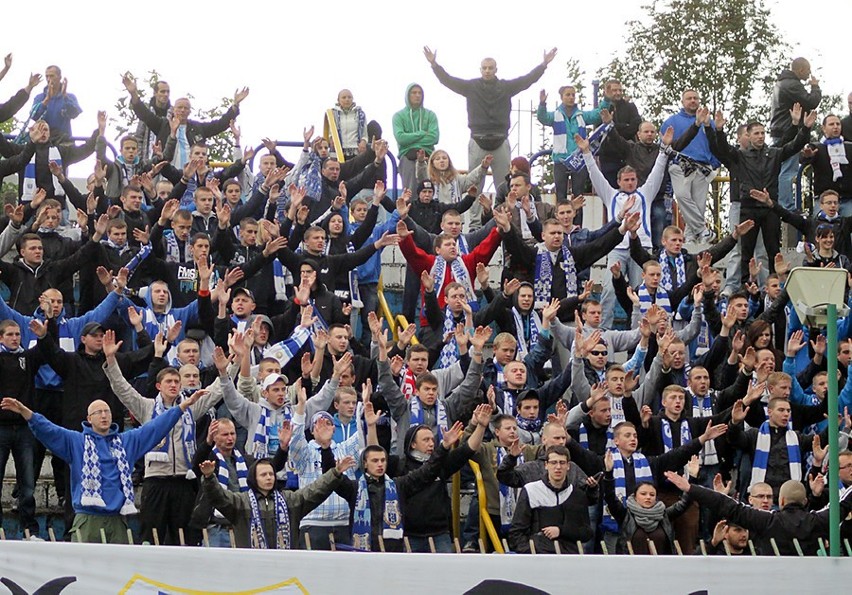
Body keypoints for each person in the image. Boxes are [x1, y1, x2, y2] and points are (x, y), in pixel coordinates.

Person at [0, 390, 201, 544]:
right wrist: (26, 413)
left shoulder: (126, 441)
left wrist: (181, 408)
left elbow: (155, 427)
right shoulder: (76, 441)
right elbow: (49, 430)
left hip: (117, 520)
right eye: (99, 412)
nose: (104, 415)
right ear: (89, 419)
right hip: (87, 520)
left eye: (107, 412)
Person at [103, 330, 222, 545]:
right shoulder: (146, 408)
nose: (174, 385)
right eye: (169, 381)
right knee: (151, 537)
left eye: (177, 381)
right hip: (156, 481)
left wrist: (225, 369)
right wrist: (111, 360)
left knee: (183, 540)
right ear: (159, 386)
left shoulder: (189, 409)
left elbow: (215, 392)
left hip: (184, 482)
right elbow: (122, 389)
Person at [424, 46, 557, 227]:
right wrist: (434, 64)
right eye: (484, 68)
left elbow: (526, 80)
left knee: (506, 186)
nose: (487, 71)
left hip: (500, 140)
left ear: (496, 69)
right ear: (480, 70)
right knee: (474, 186)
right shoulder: (471, 87)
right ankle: (474, 226)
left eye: (491, 68)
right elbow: (449, 81)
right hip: (477, 140)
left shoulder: (505, 87)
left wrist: (543, 65)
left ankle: (506, 223)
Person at [707, 108, 815, 283]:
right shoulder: (740, 155)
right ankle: (745, 287)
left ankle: (774, 285)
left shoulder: (774, 153)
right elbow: (722, 148)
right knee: (746, 252)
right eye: (756, 133)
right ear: (748, 136)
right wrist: (719, 130)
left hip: (769, 208)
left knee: (773, 250)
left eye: (763, 132)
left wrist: (805, 128)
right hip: (748, 209)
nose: (761, 136)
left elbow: (794, 145)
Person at [666, 473, 852, 556]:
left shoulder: (768, 520)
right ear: (804, 502)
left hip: (771, 582)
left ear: (781, 501)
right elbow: (844, 503)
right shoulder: (819, 520)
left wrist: (691, 488)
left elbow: (730, 507)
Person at [199, 454, 354, 549]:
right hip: (251, 567)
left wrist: (335, 473)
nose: (268, 477)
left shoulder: (289, 500)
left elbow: (314, 491)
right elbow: (218, 497)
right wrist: (209, 478)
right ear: (254, 478)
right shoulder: (241, 502)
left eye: (271, 474)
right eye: (263, 475)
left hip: (285, 566)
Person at [122, 72, 247, 169]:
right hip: (167, 175)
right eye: (179, 108)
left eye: (185, 108)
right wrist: (133, 94)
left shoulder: (198, 128)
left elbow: (220, 124)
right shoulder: (163, 125)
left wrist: (235, 105)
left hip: (193, 176)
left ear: (190, 111)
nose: (182, 110)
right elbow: (144, 114)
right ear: (174, 110)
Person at [601, 449, 693, 555]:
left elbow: (684, 504)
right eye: (643, 494)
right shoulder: (626, 515)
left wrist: (692, 480)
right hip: (631, 568)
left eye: (652, 495)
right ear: (635, 497)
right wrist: (608, 473)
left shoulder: (663, 515)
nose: (648, 497)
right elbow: (610, 498)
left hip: (661, 567)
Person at [508, 445, 596, 554]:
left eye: (562, 463)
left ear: (568, 466)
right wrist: (530, 551)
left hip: (569, 558)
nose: (558, 467)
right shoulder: (531, 490)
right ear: (546, 465)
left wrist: (560, 531)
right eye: (553, 463)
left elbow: (586, 533)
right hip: (538, 558)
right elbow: (516, 533)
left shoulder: (577, 494)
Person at [661, 90, 720, 243]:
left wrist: (714, 162)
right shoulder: (671, 122)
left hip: (702, 166)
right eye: (689, 98)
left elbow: (715, 144)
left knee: (698, 205)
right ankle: (702, 229)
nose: (692, 101)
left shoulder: (709, 122)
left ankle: (690, 237)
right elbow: (668, 144)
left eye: (695, 98)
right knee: (682, 195)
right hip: (679, 165)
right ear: (682, 101)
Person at [537, 85, 609, 202]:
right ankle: (562, 219)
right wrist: (542, 104)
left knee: (579, 195)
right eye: (568, 95)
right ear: (561, 97)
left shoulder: (581, 115)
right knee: (560, 196)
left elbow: (597, 115)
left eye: (573, 95)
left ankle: (578, 220)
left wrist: (606, 100)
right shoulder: (555, 115)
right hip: (561, 160)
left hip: (579, 160)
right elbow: (543, 118)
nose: (571, 97)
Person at [769, 58, 822, 211]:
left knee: (785, 167)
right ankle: (787, 205)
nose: (809, 74)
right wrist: (815, 87)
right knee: (788, 169)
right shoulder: (792, 84)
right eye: (807, 70)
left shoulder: (782, 83)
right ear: (800, 70)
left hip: (781, 129)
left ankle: (785, 202)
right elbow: (811, 102)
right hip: (788, 130)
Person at [799, 116, 852, 217]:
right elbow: (802, 158)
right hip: (824, 200)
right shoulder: (817, 147)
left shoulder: (849, 147)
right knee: (822, 229)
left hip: (847, 199)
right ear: (823, 128)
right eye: (831, 124)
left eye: (838, 124)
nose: (835, 127)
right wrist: (807, 155)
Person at [393, 83, 440, 192]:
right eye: (414, 93)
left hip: (428, 158)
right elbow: (401, 138)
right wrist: (422, 133)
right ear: (408, 95)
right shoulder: (398, 116)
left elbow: (434, 137)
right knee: (410, 194)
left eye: (420, 93)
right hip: (408, 158)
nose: (417, 95)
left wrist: (411, 140)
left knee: (430, 191)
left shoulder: (430, 115)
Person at [597, 79, 643, 186]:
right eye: (614, 90)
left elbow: (636, 126)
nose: (617, 93)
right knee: (610, 193)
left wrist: (613, 125)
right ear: (606, 91)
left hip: (627, 155)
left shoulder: (630, 107)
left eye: (620, 90)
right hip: (608, 156)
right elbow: (601, 129)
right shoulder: (602, 109)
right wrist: (624, 126)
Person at [29, 65, 81, 140]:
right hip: (43, 141)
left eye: (52, 76)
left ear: (59, 77)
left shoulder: (70, 97)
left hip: (64, 142)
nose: (49, 79)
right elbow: (33, 116)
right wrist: (46, 100)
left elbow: (74, 114)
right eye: (47, 76)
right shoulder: (40, 97)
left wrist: (65, 96)